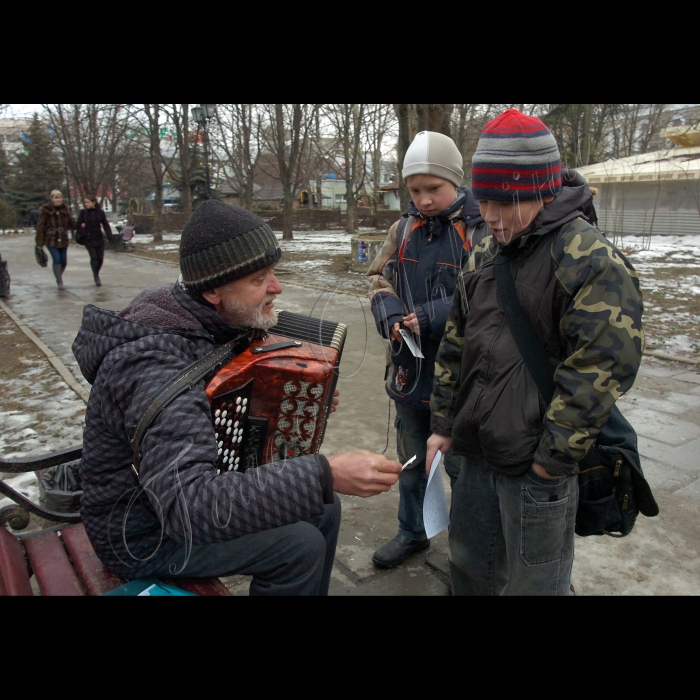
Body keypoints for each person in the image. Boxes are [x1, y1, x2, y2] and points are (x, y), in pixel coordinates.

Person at [72, 200, 402, 596]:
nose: (277, 288)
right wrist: (324, 472)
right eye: (259, 278)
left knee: (323, 505)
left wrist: (288, 403)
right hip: (140, 532)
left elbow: (219, 399)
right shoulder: (153, 364)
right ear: (212, 288)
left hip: (162, 504)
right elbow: (189, 508)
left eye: (273, 273)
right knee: (298, 545)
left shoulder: (203, 316)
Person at [427, 109, 644, 596]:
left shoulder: (588, 259)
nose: (493, 217)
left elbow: (601, 367)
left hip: (534, 469)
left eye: (509, 202)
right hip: (475, 454)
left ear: (544, 188)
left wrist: (551, 459)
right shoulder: (485, 251)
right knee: (468, 570)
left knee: (535, 585)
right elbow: (456, 342)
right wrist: (443, 423)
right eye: (486, 200)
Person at [366, 131, 485, 570]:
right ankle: (412, 533)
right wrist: (391, 314)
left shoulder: (479, 230)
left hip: (462, 381)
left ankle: (469, 560)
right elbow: (378, 277)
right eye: (415, 190)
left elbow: (490, 293)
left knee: (462, 473)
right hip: (409, 373)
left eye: (434, 188)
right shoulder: (403, 228)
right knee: (411, 461)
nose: (425, 199)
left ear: (457, 180)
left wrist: (436, 313)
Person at [36, 190, 76, 291]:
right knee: (56, 259)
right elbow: (40, 226)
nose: (58, 200)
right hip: (51, 239)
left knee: (64, 261)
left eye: (59, 197)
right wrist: (39, 243)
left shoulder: (65, 209)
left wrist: (82, 226)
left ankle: (59, 275)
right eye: (56, 198)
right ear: (52, 199)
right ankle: (59, 280)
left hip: (63, 239)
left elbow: (72, 222)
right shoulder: (46, 210)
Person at [77, 195, 114, 286]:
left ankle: (96, 272)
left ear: (94, 202)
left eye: (88, 202)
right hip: (88, 239)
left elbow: (105, 225)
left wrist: (110, 237)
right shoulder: (83, 213)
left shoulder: (100, 212)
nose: (86, 204)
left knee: (100, 258)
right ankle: (96, 276)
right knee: (94, 257)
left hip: (98, 237)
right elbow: (78, 224)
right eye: (85, 202)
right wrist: (83, 233)